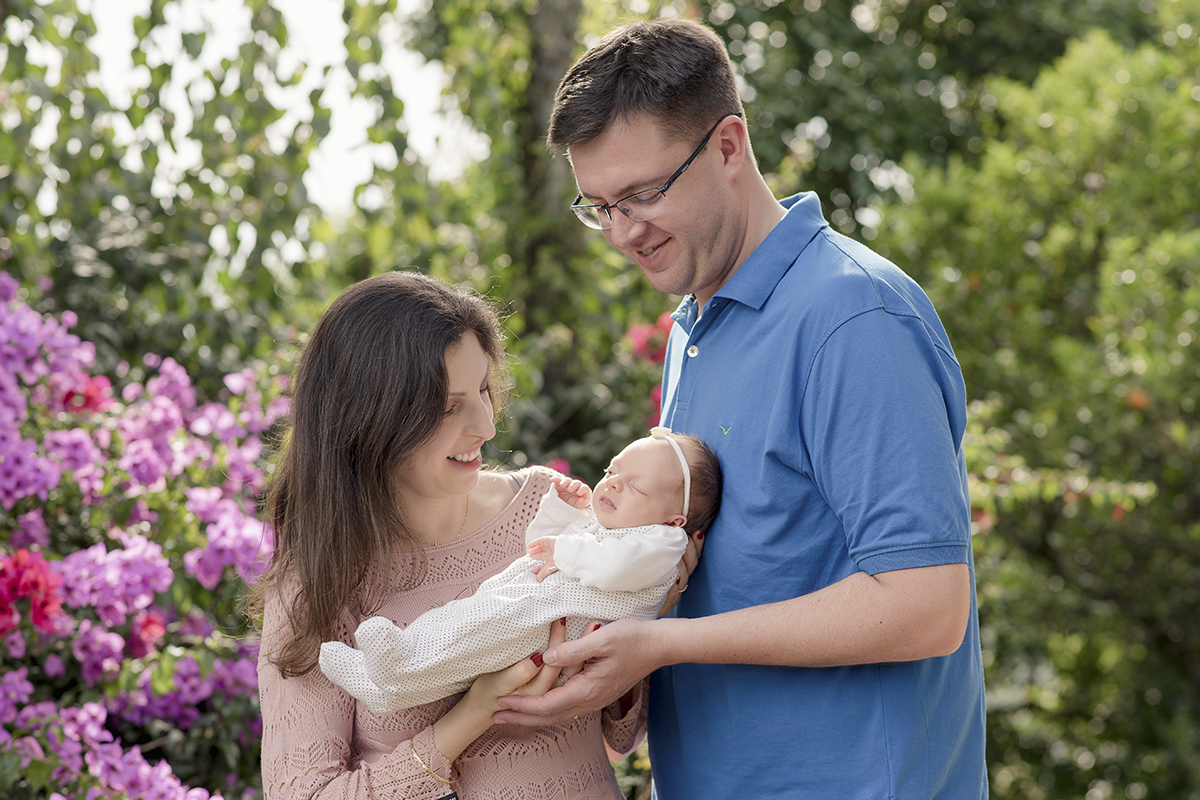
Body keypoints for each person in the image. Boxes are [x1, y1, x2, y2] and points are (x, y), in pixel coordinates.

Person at [494, 18, 988, 800]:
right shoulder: (694, 326)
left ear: (728, 146)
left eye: (643, 194)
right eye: (600, 207)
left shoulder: (854, 318)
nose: (623, 233)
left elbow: (925, 604)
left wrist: (665, 644)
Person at [247, 270, 701, 800]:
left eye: (483, 389)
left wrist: (648, 610)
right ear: (367, 419)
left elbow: (621, 733)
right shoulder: (317, 581)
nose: (486, 425)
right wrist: (472, 715)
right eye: (447, 406)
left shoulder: (549, 507)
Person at [318, 428, 720, 715]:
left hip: (548, 623)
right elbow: (539, 549)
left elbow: (616, 566)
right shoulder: (609, 525)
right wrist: (560, 512)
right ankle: (388, 669)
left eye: (636, 487)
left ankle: (393, 677)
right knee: (459, 621)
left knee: (470, 640)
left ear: (675, 521)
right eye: (612, 472)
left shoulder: (663, 543)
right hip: (528, 605)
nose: (612, 485)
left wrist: (564, 549)